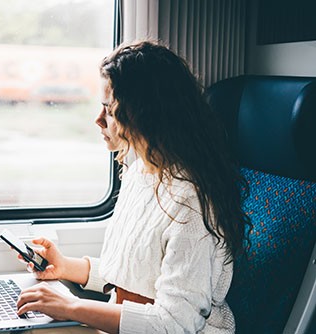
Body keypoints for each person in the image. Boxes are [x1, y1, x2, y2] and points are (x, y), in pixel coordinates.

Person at [16, 40, 250, 333]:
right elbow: (136, 278)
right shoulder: (141, 170)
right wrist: (66, 267)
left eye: (110, 111)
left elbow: (174, 324)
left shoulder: (192, 205)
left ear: (144, 116)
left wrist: (71, 307)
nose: (98, 120)